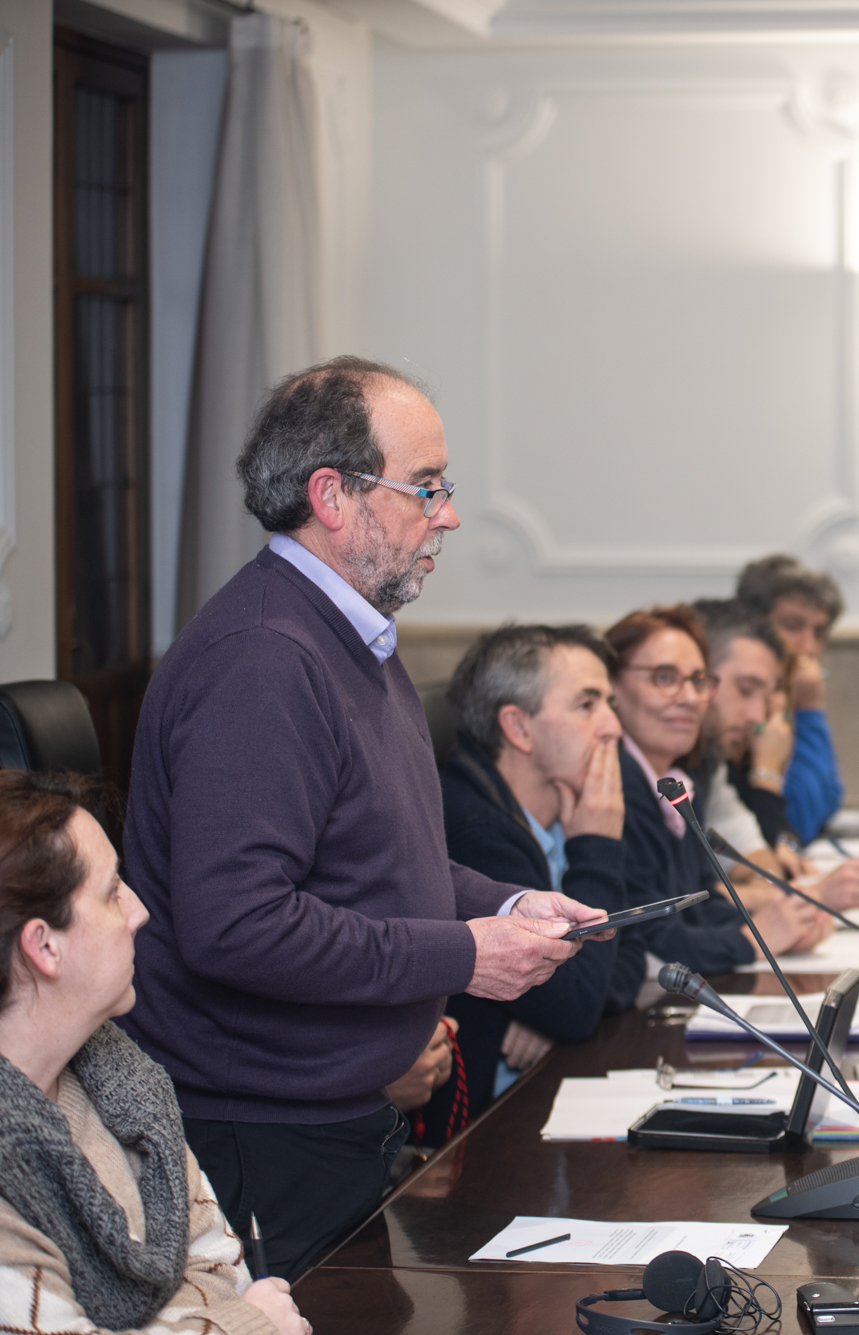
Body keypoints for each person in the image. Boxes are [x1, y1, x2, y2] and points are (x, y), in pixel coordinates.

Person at [118, 357, 608, 1279]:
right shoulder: (265, 658)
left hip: (334, 1122)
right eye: (426, 488)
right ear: (332, 496)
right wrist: (462, 954)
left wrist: (506, 906)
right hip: (260, 1136)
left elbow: (386, 860)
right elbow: (237, 924)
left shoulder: (350, 634)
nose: (448, 515)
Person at [0, 770, 307, 1335]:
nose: (139, 911)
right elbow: (242, 1307)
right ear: (43, 945)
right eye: (112, 891)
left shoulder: (123, 1080)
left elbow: (221, 1265)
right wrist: (244, 1326)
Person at [431, 625, 642, 1124]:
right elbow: (578, 1007)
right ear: (518, 728)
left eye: (609, 703)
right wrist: (597, 847)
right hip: (472, 1137)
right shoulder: (471, 824)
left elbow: (633, 949)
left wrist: (560, 1009)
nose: (613, 727)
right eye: (587, 704)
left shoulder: (573, 805)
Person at [604, 605, 833, 970]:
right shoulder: (615, 781)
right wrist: (754, 938)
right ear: (611, 686)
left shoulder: (684, 776)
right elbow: (647, 938)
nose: (758, 717)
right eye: (665, 678)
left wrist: (779, 922)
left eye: (697, 681)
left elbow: (698, 903)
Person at [692, 601, 859, 911]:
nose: (759, 714)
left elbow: (808, 821)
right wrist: (767, 772)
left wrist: (808, 712)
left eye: (774, 691)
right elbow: (678, 907)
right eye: (746, 689)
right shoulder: (701, 755)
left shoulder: (709, 762)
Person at [736, 555, 847, 843]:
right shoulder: (740, 712)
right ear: (753, 627)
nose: (808, 647)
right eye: (793, 626)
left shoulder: (785, 701)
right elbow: (798, 821)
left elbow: (829, 801)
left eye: (819, 632)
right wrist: (809, 708)